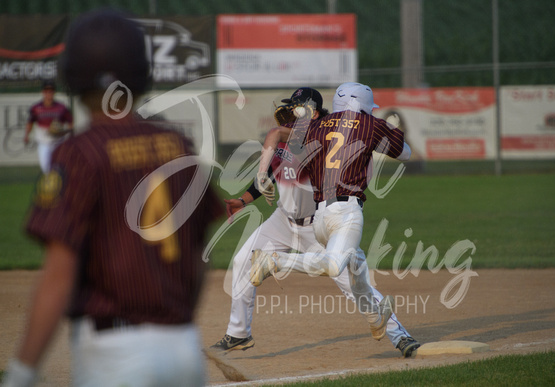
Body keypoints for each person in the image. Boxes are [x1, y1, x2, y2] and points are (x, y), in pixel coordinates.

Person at [1, 9, 222, 387]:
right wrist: (176, 325)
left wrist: (22, 373)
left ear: (73, 73)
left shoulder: (79, 153)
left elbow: (59, 274)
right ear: (140, 73)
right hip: (183, 348)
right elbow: (200, 255)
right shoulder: (177, 144)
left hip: (114, 355)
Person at [211, 87, 418, 358]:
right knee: (241, 262)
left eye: (296, 108)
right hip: (283, 221)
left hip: (316, 227)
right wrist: (246, 198)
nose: (289, 113)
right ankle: (238, 334)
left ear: (315, 113)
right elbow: (273, 170)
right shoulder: (293, 138)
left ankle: (399, 335)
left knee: (350, 280)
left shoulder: (320, 137)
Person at [24, 79, 74, 174]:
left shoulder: (61, 108)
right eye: (46, 91)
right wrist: (26, 135)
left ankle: (61, 186)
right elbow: (30, 122)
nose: (48, 93)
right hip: (44, 142)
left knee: (60, 168)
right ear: (42, 92)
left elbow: (70, 121)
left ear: (54, 92)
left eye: (51, 91)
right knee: (46, 168)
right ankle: (52, 186)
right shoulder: (36, 108)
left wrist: (69, 133)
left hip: (58, 141)